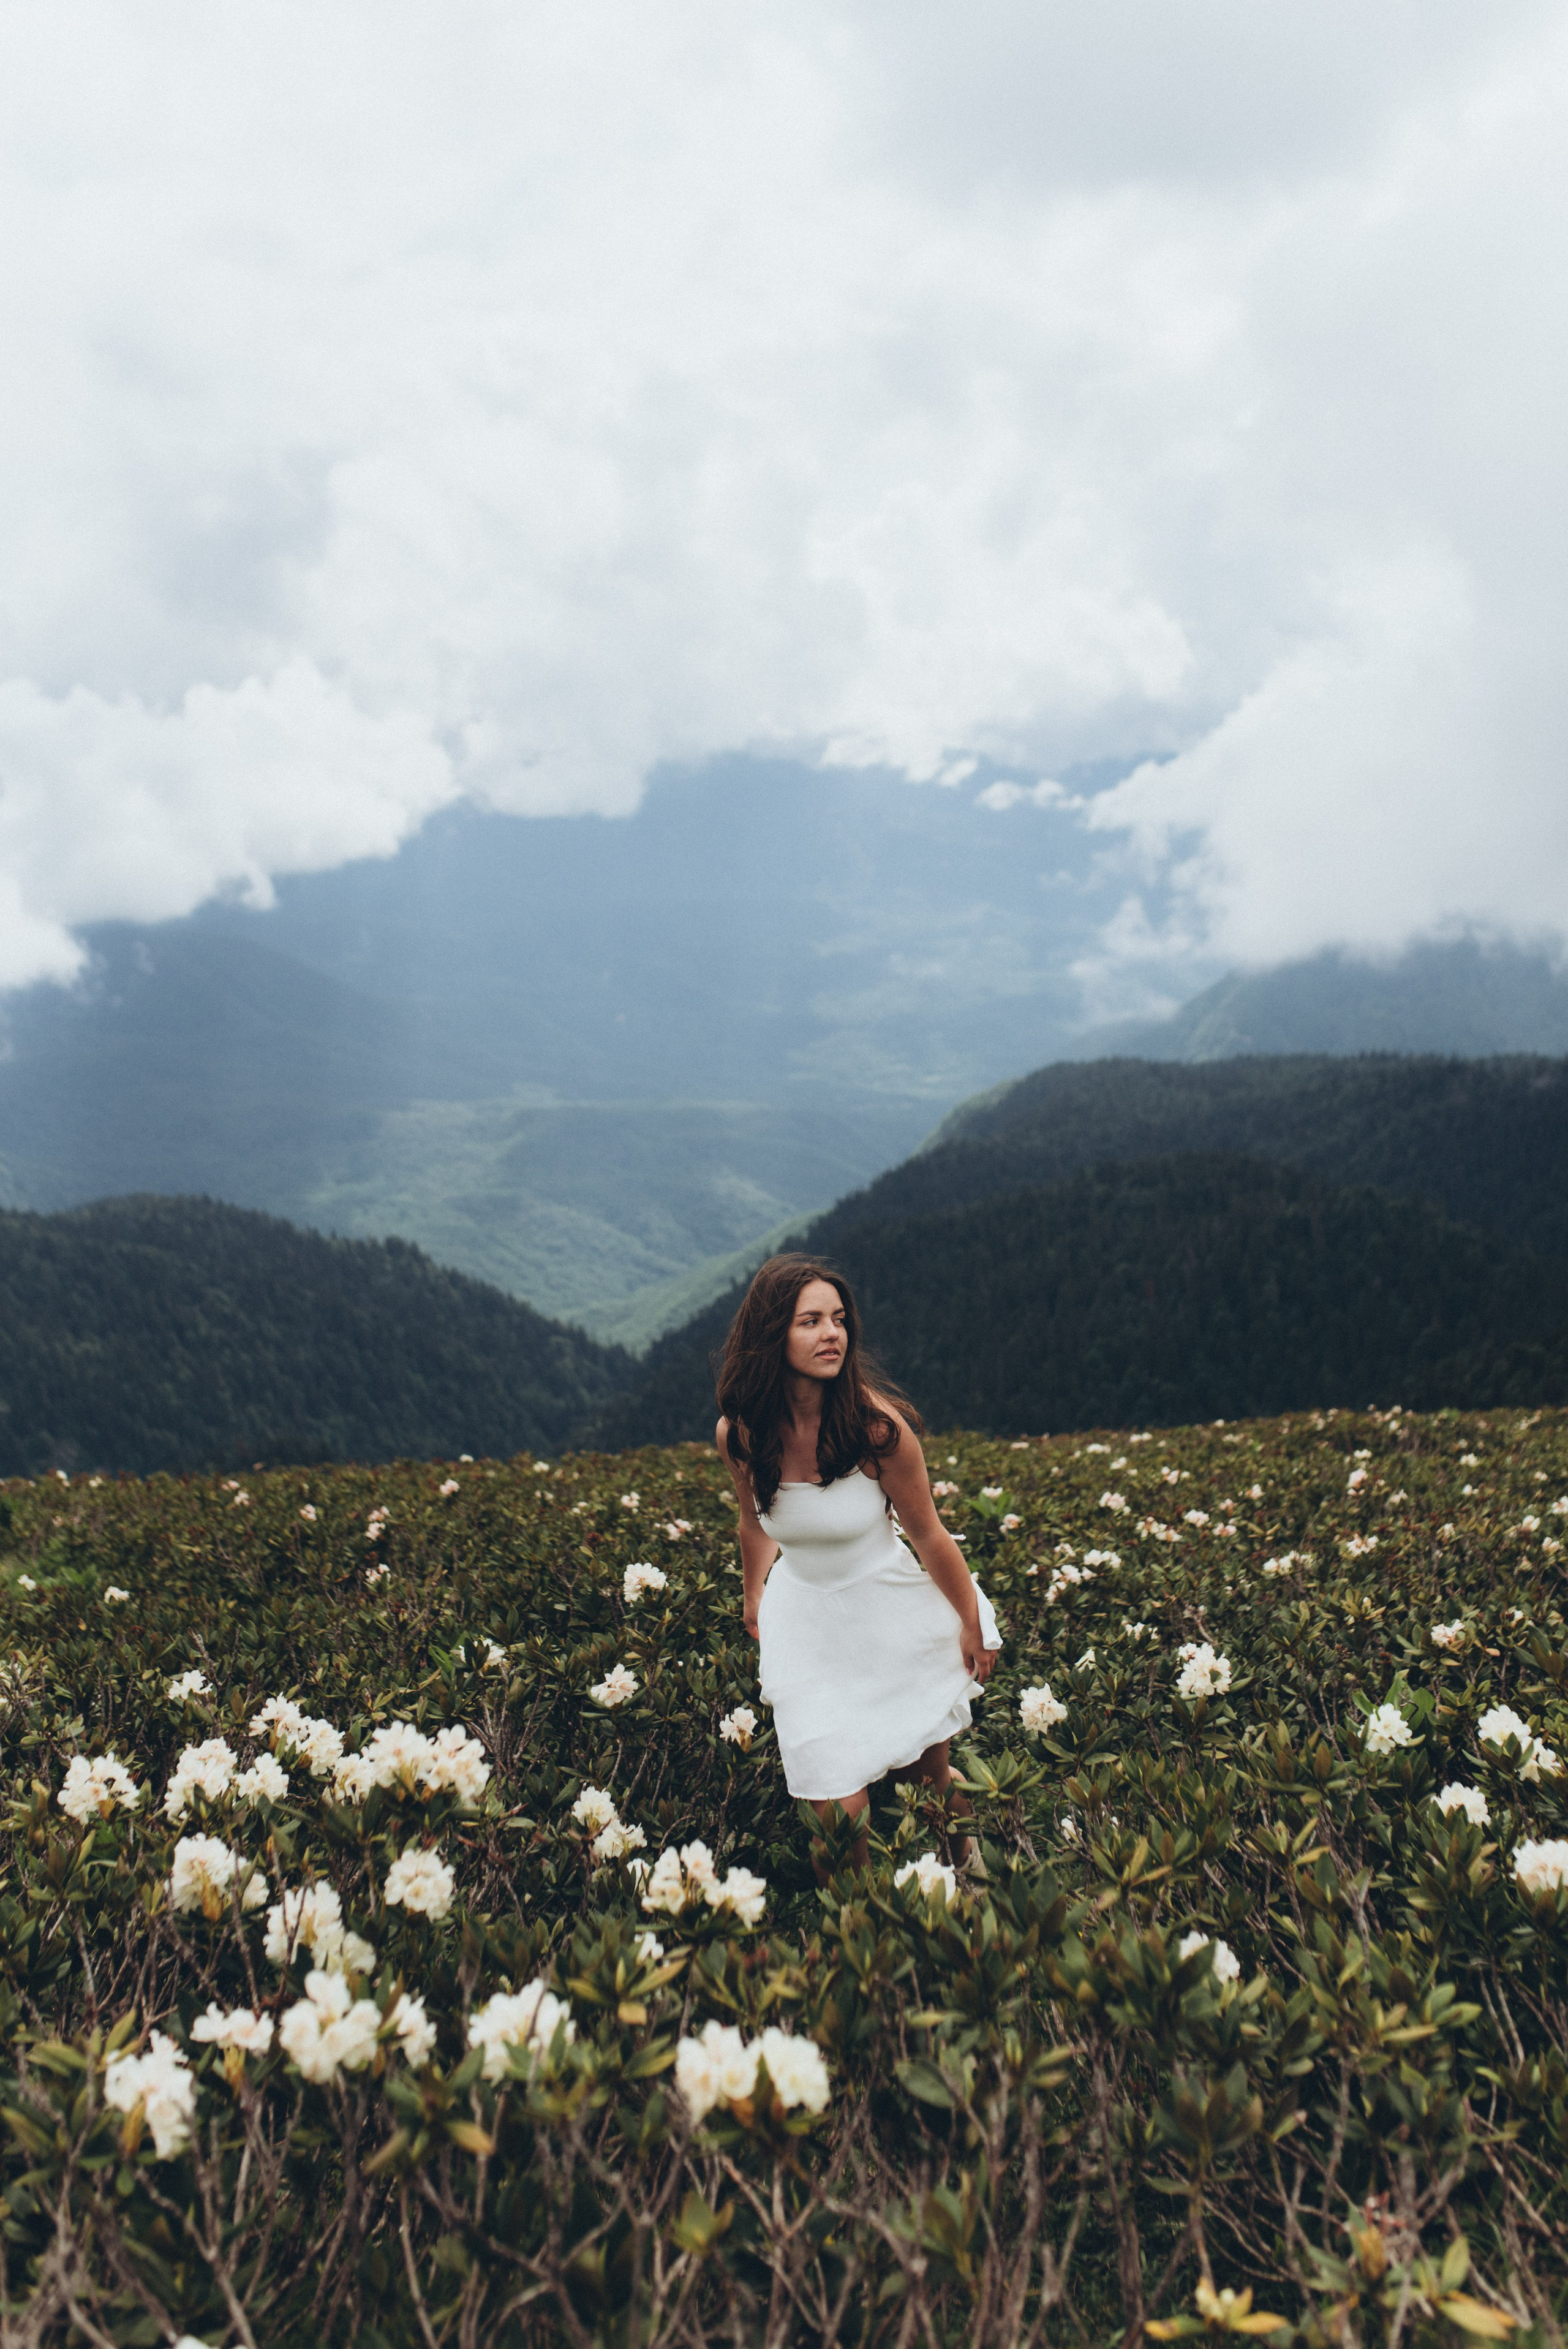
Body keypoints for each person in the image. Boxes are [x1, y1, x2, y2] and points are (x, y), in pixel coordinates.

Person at [715, 1252, 1001, 1864]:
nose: (831, 1334)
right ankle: (862, 1942)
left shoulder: (877, 1431)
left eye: (838, 1319)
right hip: (807, 1632)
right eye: (810, 1321)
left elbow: (929, 1536)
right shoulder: (740, 1433)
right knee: (837, 1820)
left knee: (928, 1789)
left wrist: (972, 1621)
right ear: (772, 1335)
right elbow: (753, 1518)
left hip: (890, 1618)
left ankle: (972, 1885)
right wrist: (753, 1592)